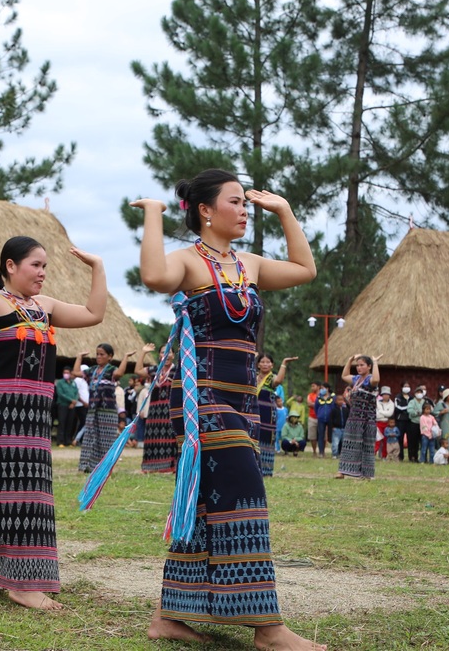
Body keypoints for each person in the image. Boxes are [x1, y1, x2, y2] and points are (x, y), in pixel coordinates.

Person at [132, 169, 324, 650]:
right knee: (245, 494)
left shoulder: (249, 265)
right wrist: (154, 215)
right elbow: (154, 277)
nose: (244, 210)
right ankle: (267, 628)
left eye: (246, 204)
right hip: (202, 399)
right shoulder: (187, 262)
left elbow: (305, 270)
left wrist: (283, 210)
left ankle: (167, 616)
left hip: (242, 399)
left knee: (202, 505)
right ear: (204, 210)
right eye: (235, 202)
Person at [0, 226, 106, 609]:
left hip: (33, 411)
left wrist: (97, 266)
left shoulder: (44, 306)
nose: (42, 272)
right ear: (10, 266)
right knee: (15, 492)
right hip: (0, 410)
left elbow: (93, 313)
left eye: (45, 265)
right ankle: (21, 583)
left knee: (9, 491)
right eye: (36, 265)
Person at [76, 344, 131, 473]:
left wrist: (125, 358)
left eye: (102, 354)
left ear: (110, 357)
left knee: (106, 439)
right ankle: (87, 465)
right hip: (92, 411)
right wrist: (79, 357)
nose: (99, 357)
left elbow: (120, 373)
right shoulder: (92, 370)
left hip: (108, 412)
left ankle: (104, 467)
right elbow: (75, 373)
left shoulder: (111, 370)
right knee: (90, 437)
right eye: (97, 354)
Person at [335, 354, 382, 480]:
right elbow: (344, 375)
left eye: (362, 365)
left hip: (368, 418)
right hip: (354, 417)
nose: (359, 368)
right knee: (349, 443)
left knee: (366, 445)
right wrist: (349, 360)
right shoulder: (356, 379)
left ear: (369, 367)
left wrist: (376, 362)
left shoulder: (370, 380)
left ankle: (366, 474)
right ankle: (342, 471)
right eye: (357, 365)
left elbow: (376, 380)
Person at [137, 343, 178, 473]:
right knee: (153, 436)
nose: (166, 355)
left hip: (170, 408)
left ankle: (171, 466)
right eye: (162, 352)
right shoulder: (154, 370)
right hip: (154, 409)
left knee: (170, 436)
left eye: (169, 352)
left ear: (173, 355)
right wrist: (143, 352)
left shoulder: (177, 370)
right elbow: (137, 371)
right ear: (159, 355)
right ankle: (151, 466)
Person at [256, 354, 295, 475]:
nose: (265, 364)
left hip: (268, 413)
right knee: (255, 436)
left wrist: (284, 363)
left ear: (272, 365)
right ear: (258, 365)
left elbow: (279, 380)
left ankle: (266, 469)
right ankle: (254, 468)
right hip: (254, 411)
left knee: (267, 438)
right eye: (262, 362)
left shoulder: (271, 378)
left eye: (268, 362)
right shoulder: (253, 377)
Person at [53, 367, 79, 448]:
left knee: (70, 423)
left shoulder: (73, 383)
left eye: (67, 372)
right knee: (62, 422)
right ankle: (60, 441)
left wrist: (74, 401)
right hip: (63, 404)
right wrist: (71, 400)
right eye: (64, 372)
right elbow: (60, 394)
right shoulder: (60, 382)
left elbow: (76, 392)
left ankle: (68, 440)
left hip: (72, 406)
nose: (66, 374)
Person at [405, 386, 425, 463]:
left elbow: (428, 409)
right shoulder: (412, 402)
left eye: (421, 392)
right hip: (413, 423)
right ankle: (412, 457)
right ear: (415, 393)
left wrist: (419, 412)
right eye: (418, 392)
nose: (419, 394)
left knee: (422, 441)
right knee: (413, 441)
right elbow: (410, 410)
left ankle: (420, 457)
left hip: (423, 424)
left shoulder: (424, 401)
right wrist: (417, 412)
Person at [314, 381, 333, 459]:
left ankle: (334, 452)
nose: (321, 390)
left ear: (327, 389)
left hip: (330, 418)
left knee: (331, 435)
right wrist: (319, 414)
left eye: (322, 388)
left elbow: (334, 407)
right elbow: (316, 407)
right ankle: (321, 452)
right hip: (321, 418)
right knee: (321, 435)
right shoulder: (318, 397)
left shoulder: (333, 397)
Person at [393, 381, 411, 461]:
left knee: (410, 438)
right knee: (400, 438)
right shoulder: (398, 397)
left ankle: (411, 457)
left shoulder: (411, 398)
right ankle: (400, 456)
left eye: (408, 386)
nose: (407, 387)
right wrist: (407, 408)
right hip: (400, 420)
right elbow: (397, 408)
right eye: (405, 386)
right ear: (402, 387)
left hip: (409, 420)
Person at [375, 386, 395, 459]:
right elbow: (376, 414)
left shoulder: (391, 404)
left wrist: (381, 412)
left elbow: (390, 414)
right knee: (377, 440)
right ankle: (373, 455)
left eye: (387, 394)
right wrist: (384, 413)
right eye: (384, 394)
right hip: (378, 423)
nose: (386, 396)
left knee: (386, 440)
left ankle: (384, 456)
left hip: (387, 424)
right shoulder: (377, 402)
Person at [329, 393, 349, 458]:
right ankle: (334, 454)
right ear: (336, 401)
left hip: (344, 428)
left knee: (344, 442)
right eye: (339, 400)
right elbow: (331, 419)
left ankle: (342, 454)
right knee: (335, 442)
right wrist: (332, 427)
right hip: (336, 428)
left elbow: (348, 418)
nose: (340, 401)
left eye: (342, 400)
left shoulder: (346, 410)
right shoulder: (334, 410)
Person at [305, 381, 320, 456]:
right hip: (312, 417)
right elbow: (309, 404)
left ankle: (321, 451)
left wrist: (314, 404)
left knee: (322, 435)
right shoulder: (310, 395)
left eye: (313, 386)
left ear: (318, 387)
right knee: (312, 436)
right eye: (311, 386)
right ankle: (314, 451)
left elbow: (323, 404)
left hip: (321, 418)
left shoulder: (322, 395)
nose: (312, 388)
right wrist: (318, 404)